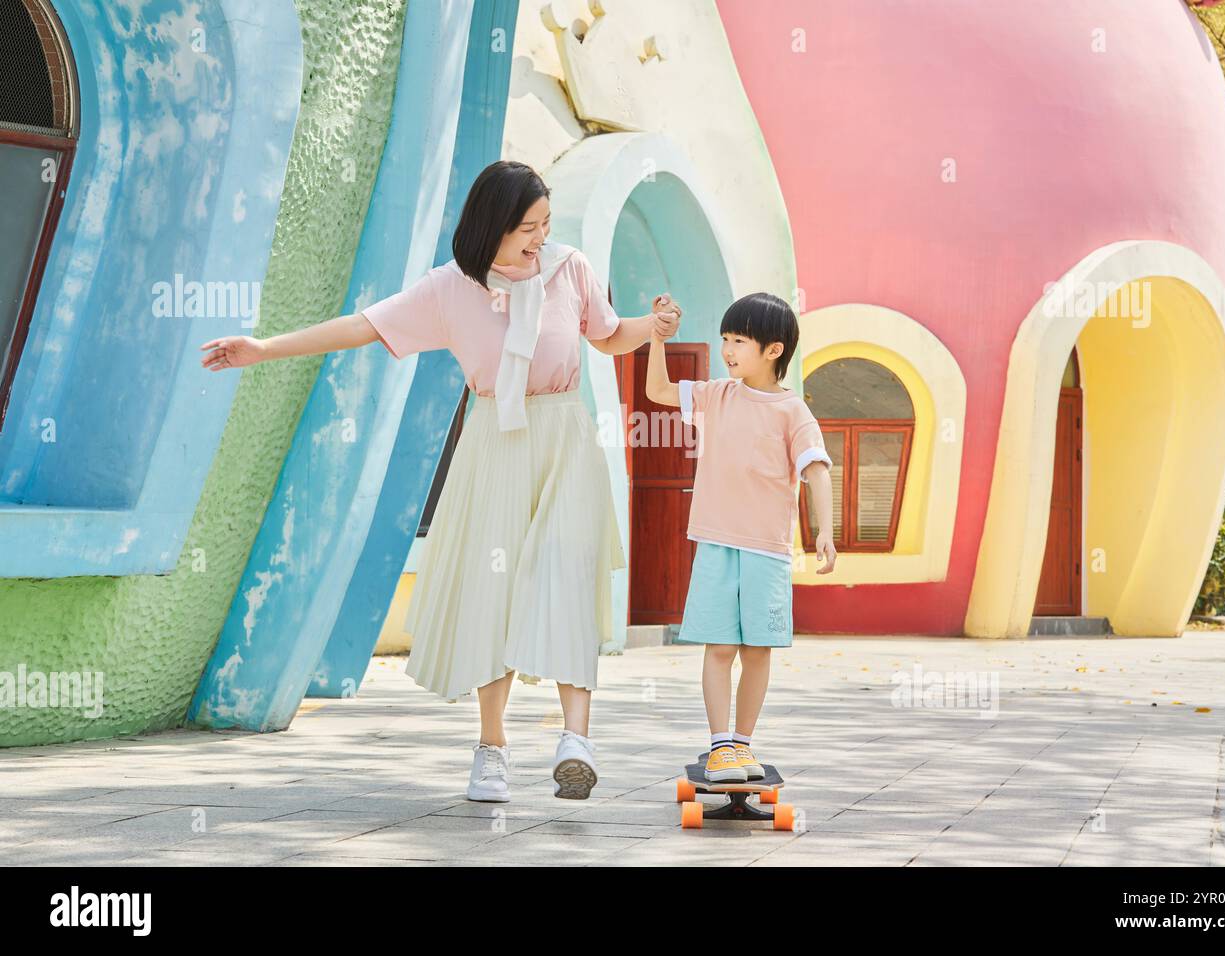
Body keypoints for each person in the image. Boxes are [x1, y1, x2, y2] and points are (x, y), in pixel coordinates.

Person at [200, 160, 681, 802]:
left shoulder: (571, 270)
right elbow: (364, 327)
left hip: (565, 437)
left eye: (545, 223)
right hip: (495, 442)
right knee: (495, 589)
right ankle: (492, 749)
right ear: (493, 228)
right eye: (527, 229)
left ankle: (576, 739)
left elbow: (607, 335)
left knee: (566, 572)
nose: (540, 238)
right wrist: (265, 347)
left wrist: (653, 328)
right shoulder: (449, 289)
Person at [644, 292, 835, 782]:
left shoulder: (793, 411)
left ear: (773, 350)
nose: (727, 349)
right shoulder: (717, 393)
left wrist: (825, 533)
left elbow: (816, 471)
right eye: (725, 339)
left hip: (767, 551)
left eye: (739, 341)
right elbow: (659, 391)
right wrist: (656, 337)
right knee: (720, 648)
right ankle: (719, 745)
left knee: (756, 650)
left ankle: (744, 744)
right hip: (715, 540)